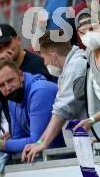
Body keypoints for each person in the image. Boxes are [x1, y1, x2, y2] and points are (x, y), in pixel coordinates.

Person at [0, 60, 64, 155]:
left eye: (10, 80)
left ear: (21, 75)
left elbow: (37, 142)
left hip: (67, 159)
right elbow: (18, 139)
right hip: (52, 160)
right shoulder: (12, 100)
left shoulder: (40, 92)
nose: (8, 88)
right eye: (2, 85)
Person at [22, 30, 87, 162]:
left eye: (44, 59)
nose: (45, 64)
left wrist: (44, 144)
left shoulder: (76, 66)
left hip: (92, 146)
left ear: (52, 56)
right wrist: (40, 141)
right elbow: (59, 110)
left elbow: (62, 110)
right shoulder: (68, 70)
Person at [0, 24, 50, 103]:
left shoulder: (35, 62)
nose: (4, 50)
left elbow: (47, 94)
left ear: (18, 40)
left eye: (6, 44)